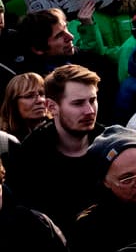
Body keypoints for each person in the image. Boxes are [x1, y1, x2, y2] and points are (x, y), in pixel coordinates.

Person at [12, 63, 104, 228]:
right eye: (78, 103)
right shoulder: (29, 157)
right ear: (52, 107)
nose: (90, 110)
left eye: (93, 100)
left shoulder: (111, 145)